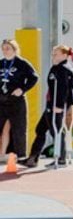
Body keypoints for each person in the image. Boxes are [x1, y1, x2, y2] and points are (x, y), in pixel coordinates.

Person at [21, 44, 73, 169]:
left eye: (56, 54)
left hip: (56, 105)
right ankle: (33, 158)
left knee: (57, 131)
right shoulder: (60, 67)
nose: (53, 56)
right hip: (51, 104)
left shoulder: (62, 69)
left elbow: (63, 89)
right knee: (41, 129)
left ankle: (61, 158)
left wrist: (59, 105)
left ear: (64, 55)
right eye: (52, 54)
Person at [0, 38, 39, 169]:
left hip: (16, 102)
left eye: (8, 48)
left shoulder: (22, 63)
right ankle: (2, 154)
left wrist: (22, 89)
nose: (5, 51)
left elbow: (34, 77)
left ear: (14, 49)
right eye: (3, 48)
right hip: (2, 100)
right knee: (3, 129)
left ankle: (20, 156)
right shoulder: (1, 63)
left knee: (18, 129)